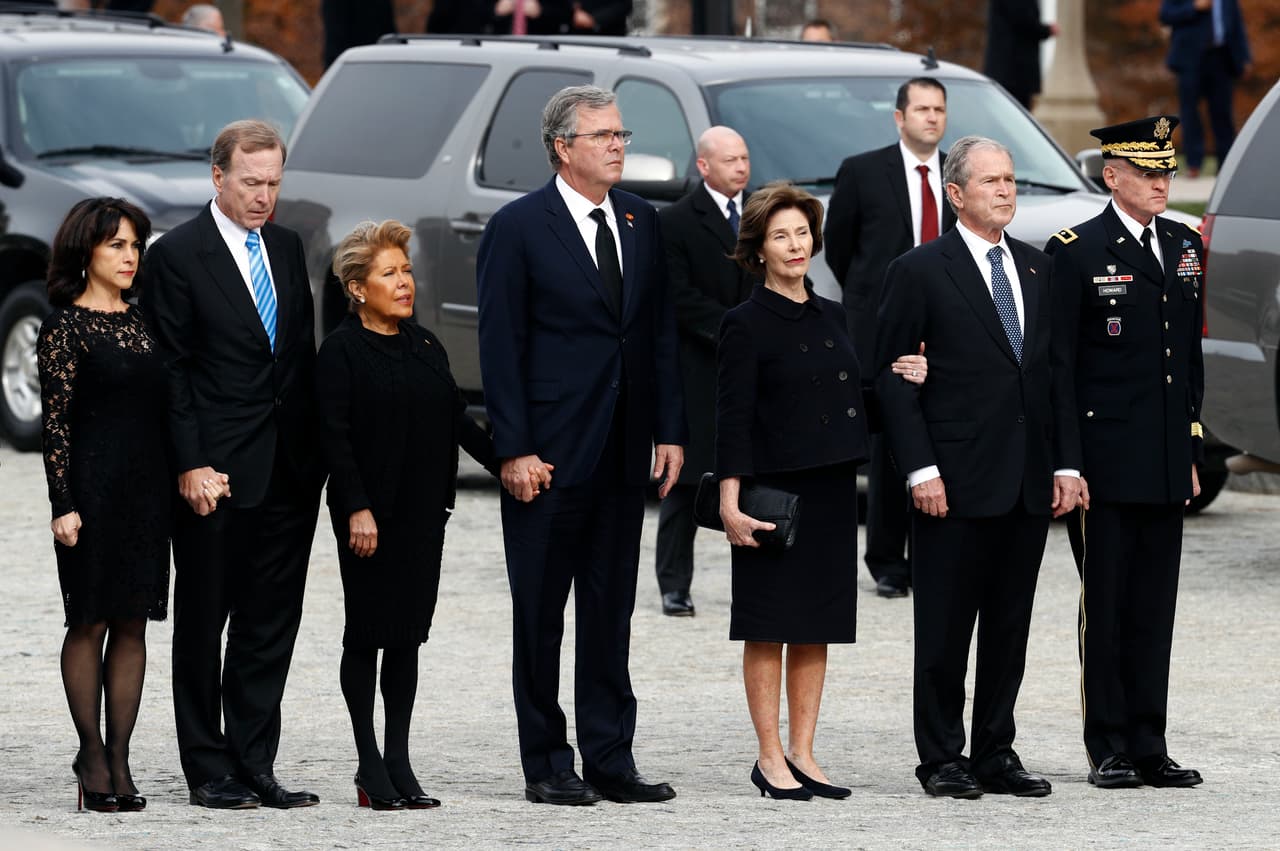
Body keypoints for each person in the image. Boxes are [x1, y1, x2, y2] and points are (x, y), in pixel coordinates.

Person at [476, 84, 687, 806]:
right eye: (603, 136)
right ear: (563, 147)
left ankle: (609, 756)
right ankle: (546, 760)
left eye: (621, 134)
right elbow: (500, 346)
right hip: (549, 455)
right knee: (540, 614)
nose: (618, 145)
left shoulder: (639, 220)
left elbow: (656, 332)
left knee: (609, 611)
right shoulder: (519, 226)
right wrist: (514, 449)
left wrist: (671, 431)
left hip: (625, 452)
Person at [875, 136, 1082, 799]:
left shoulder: (1036, 267)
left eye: (1011, 179)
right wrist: (920, 471)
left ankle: (996, 749)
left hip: (1025, 482)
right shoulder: (919, 270)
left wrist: (1065, 464)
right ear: (956, 193)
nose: (1006, 189)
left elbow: (1052, 375)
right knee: (943, 628)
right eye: (991, 180)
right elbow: (893, 379)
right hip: (952, 481)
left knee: (1008, 628)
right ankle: (941, 755)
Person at [716, 182, 928, 801]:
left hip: (833, 490)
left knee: (816, 626)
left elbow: (851, 406)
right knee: (768, 625)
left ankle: (804, 752)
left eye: (803, 232)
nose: (795, 244)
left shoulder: (832, 313)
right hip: (774, 497)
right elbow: (730, 418)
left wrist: (899, 381)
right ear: (758, 249)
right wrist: (730, 501)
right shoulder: (744, 323)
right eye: (781, 235)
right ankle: (768, 757)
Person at [140, 119, 322, 810]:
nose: (263, 196)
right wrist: (189, 463)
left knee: (270, 622)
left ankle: (255, 760)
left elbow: (295, 360)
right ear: (218, 177)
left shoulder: (286, 244)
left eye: (274, 183)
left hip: (289, 471)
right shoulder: (178, 256)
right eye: (251, 182)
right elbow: (174, 372)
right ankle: (207, 765)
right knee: (205, 619)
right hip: (213, 474)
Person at [1045, 115, 1205, 790]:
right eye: (1148, 173)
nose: (1162, 183)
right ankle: (1106, 742)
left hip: (1166, 456)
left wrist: (1192, 444)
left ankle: (1150, 742)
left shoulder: (1184, 242)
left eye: (1167, 171)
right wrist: (1069, 461)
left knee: (1153, 607)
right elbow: (1061, 366)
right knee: (1106, 603)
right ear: (1112, 176)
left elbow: (1188, 357)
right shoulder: (1076, 249)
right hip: (1106, 459)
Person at [317, 220, 498, 811]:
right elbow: (334, 438)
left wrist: (512, 465)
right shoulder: (341, 351)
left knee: (406, 640)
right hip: (369, 522)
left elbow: (458, 423)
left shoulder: (426, 346)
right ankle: (369, 763)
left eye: (407, 270)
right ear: (357, 287)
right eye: (389, 273)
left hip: (424, 518)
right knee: (367, 635)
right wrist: (358, 509)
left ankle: (398, 759)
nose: (404, 283)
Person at [38, 198, 168, 814]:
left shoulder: (144, 322)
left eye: (135, 245)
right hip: (90, 494)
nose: (129, 256)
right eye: (116, 244)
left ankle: (120, 756)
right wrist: (61, 503)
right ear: (86, 250)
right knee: (89, 618)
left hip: (146, 495)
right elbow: (55, 425)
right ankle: (90, 755)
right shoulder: (64, 325)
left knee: (134, 621)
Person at [824, 77, 955, 599]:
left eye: (939, 109)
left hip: (946, 323)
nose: (932, 118)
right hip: (879, 327)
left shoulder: (957, 172)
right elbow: (841, 248)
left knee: (940, 432)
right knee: (886, 442)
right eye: (921, 109)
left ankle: (933, 554)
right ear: (899, 117)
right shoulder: (862, 171)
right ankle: (885, 560)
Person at [654, 125, 756, 618]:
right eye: (731, 159)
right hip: (699, 364)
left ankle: (755, 581)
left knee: (752, 478)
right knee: (689, 481)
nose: (741, 167)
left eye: (745, 158)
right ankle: (674, 583)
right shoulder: (675, 221)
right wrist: (735, 329)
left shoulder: (759, 214)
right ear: (703, 166)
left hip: (752, 364)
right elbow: (676, 296)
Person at [1159, 0, 1251, 177]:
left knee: (1222, 113)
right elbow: (1165, 15)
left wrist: (1243, 57)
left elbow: (1236, 24)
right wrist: (1194, 7)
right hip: (1189, 59)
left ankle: (1226, 165)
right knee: (1190, 113)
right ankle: (1194, 163)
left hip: (1221, 58)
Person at [982, 0, 1058, 109]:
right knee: (1015, 111)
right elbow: (1024, 21)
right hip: (1014, 71)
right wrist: (1047, 30)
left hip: (1005, 70)